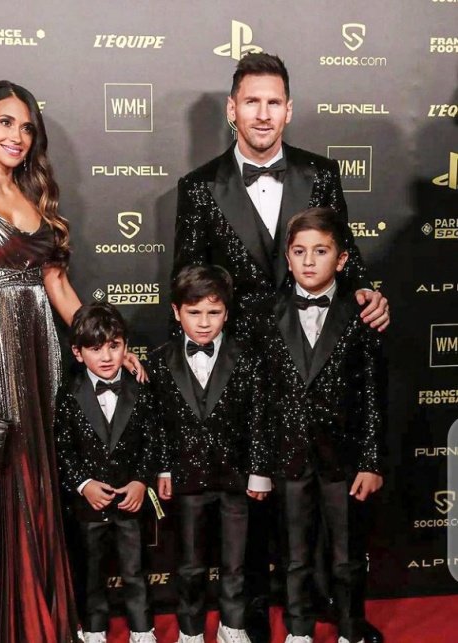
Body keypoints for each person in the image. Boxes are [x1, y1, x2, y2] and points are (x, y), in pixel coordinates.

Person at [172, 53, 388, 643]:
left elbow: (349, 257)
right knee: (255, 502)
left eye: (274, 102)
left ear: (288, 110)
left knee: (324, 505)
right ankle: (250, 617)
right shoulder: (198, 189)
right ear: (231, 109)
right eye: (251, 101)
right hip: (243, 371)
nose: (262, 114)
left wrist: (370, 291)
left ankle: (337, 615)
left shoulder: (321, 174)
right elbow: (187, 282)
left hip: (313, 367)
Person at [0, 80, 142, 642]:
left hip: (40, 356)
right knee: (0, 484)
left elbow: (61, 292)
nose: (17, 136)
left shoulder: (37, 202)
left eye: (26, 127)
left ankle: (37, 618)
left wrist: (113, 345)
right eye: (4, 122)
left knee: (39, 481)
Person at [269, 207, 384, 643]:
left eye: (321, 251)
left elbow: (374, 392)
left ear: (341, 259)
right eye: (300, 251)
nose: (309, 261)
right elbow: (262, 397)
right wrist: (262, 465)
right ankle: (298, 631)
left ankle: (351, 629)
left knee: (347, 556)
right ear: (287, 256)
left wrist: (371, 461)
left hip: (346, 460)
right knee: (295, 556)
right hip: (290, 458)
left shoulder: (362, 315)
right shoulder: (267, 313)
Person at [148, 264, 272, 643]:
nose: (204, 323)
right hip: (186, 480)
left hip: (235, 480)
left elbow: (258, 417)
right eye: (194, 312)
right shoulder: (159, 360)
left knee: (235, 564)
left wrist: (259, 471)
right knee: (189, 565)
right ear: (175, 311)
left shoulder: (247, 357)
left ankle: (232, 627)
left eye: (214, 312)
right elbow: (157, 424)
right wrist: (164, 469)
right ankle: (190, 630)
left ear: (227, 313)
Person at [54, 303, 157, 643]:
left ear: (125, 346)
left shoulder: (140, 388)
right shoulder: (68, 395)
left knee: (135, 571)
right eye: (95, 348)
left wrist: (141, 481)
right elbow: (62, 449)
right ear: (78, 352)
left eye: (114, 345)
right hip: (89, 508)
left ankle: (143, 630)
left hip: (131, 504)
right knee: (91, 573)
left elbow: (152, 441)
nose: (107, 356)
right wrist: (84, 485)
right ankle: (94, 630)